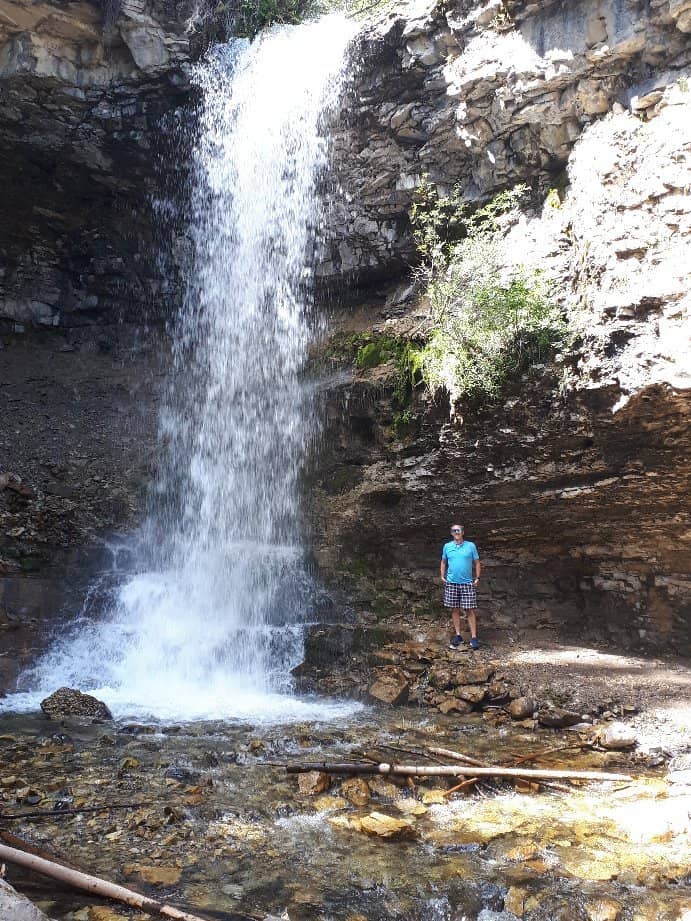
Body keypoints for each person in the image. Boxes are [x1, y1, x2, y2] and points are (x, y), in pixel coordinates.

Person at [440, 523, 481, 650]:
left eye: (458, 530)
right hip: (452, 583)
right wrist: (442, 576)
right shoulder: (447, 546)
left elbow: (477, 562)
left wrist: (477, 578)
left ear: (463, 532)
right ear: (451, 533)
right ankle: (458, 635)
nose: (456, 532)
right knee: (454, 609)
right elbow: (443, 561)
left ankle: (474, 637)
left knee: (470, 610)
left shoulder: (470, 546)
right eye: (453, 530)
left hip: (467, 582)